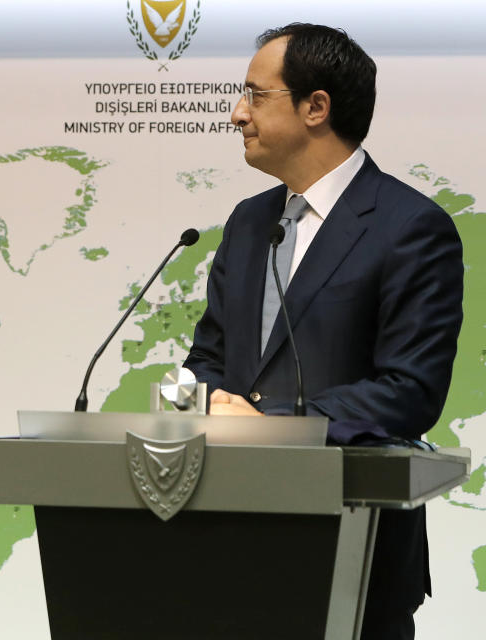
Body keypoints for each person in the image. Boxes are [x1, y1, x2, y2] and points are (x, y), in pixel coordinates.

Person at [183, 24, 464, 639]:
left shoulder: (411, 227)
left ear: (316, 107)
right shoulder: (250, 221)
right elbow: (209, 355)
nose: (237, 114)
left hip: (351, 557)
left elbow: (408, 391)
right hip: (223, 549)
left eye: (257, 96)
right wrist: (204, 404)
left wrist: (273, 426)